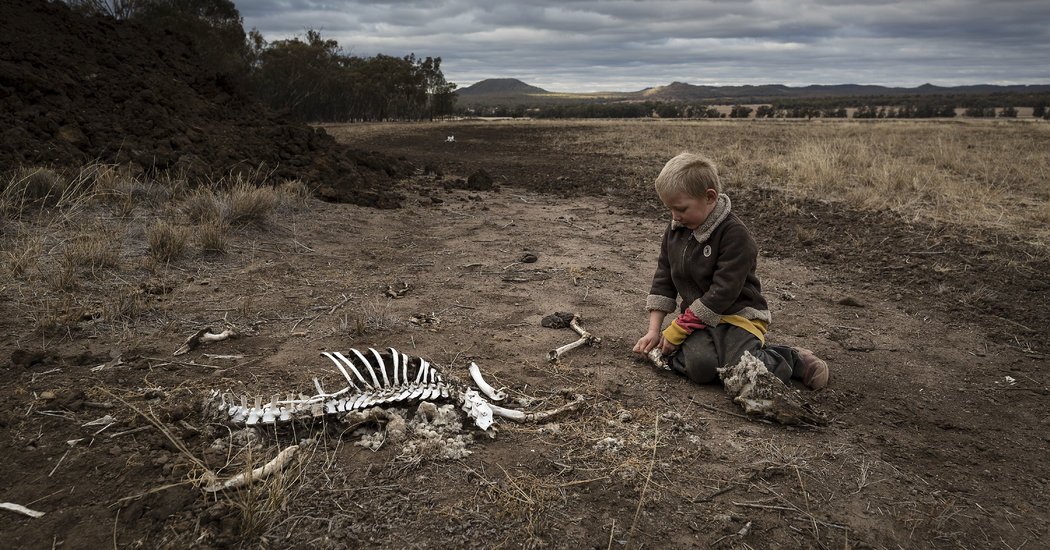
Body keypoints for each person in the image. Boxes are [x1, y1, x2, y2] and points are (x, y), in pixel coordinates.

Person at [632, 152, 829, 389]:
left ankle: (794, 359)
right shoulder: (676, 230)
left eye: (681, 208)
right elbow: (664, 277)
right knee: (700, 368)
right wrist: (654, 331)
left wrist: (678, 329)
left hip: (738, 316)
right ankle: (722, 358)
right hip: (699, 320)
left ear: (710, 197)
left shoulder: (735, 235)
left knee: (742, 367)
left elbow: (723, 293)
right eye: (669, 209)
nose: (675, 216)